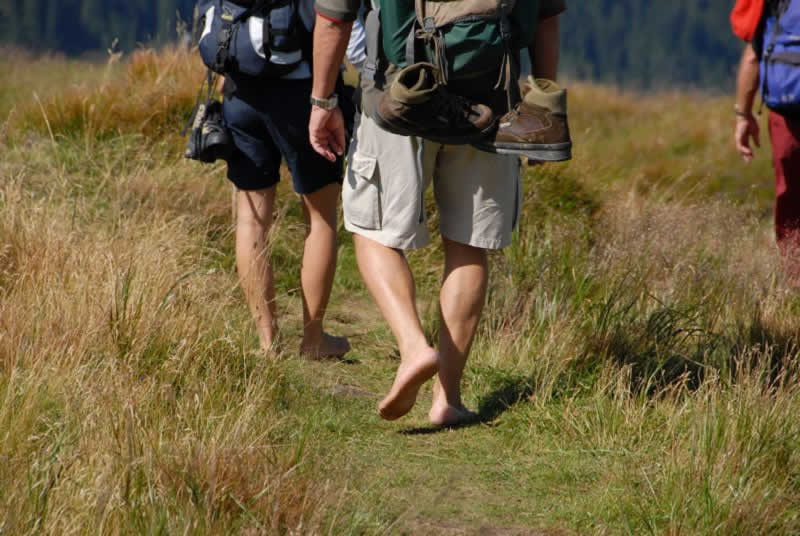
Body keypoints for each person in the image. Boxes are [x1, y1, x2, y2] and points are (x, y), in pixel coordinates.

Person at [309, 0, 566, 425]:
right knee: (468, 245)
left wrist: (322, 100)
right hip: (491, 101)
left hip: (399, 97)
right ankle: (447, 399)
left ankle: (413, 347)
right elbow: (547, 19)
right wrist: (541, 109)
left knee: (372, 232)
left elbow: (333, 18)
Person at [203, 0, 351, 358]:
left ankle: (268, 341)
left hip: (240, 91)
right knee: (320, 218)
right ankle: (314, 339)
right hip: (303, 94)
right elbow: (341, 24)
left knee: (251, 220)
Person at [733, 0, 800, 268]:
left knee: (791, 198)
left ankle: (794, 283)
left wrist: (743, 115)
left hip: (789, 109)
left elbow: (753, 54)